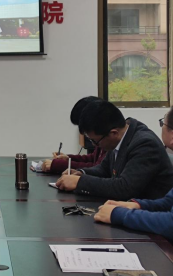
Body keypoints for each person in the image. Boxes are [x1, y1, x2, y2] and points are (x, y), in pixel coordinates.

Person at [56, 100, 173, 200]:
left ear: (113, 133)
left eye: (95, 141)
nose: (95, 145)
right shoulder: (122, 136)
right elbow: (104, 169)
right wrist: (81, 173)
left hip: (150, 212)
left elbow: (124, 188)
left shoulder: (145, 145)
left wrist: (79, 182)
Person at [93, 108, 173, 241]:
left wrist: (119, 215)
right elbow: (168, 202)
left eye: (162, 123)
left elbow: (170, 224)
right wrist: (137, 205)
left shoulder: (144, 142)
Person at [41, 96, 107, 173]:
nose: (85, 133)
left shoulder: (108, 141)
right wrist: (68, 159)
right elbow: (93, 158)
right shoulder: (101, 139)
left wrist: (59, 165)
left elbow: (97, 167)